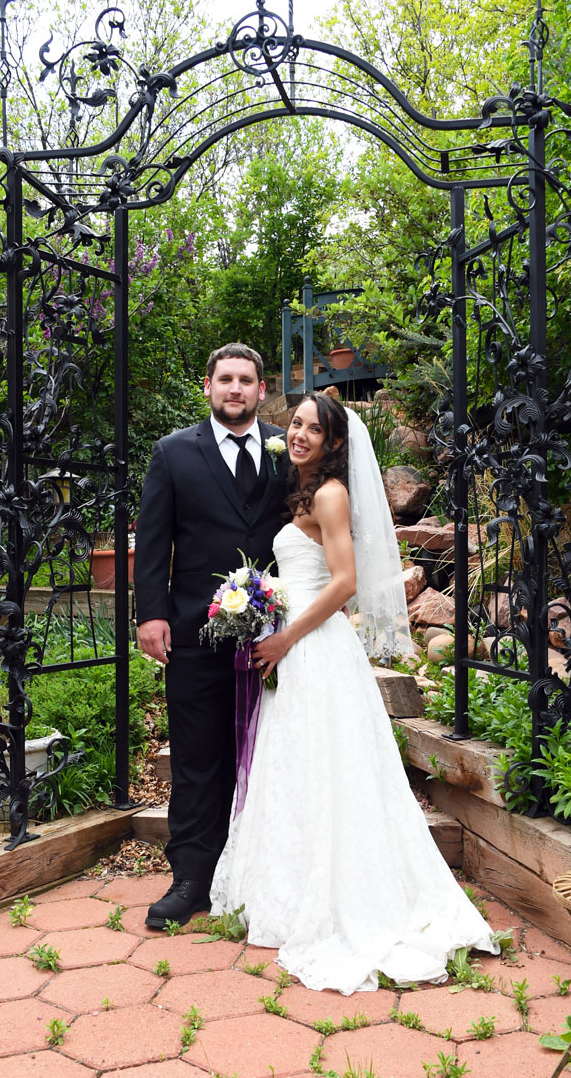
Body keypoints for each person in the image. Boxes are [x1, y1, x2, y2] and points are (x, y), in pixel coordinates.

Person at [210, 393, 498, 995]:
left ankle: (343, 898)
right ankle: (291, 888)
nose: (300, 435)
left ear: (336, 443)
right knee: (304, 768)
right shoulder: (305, 492)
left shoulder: (330, 494)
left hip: (314, 650)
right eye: (296, 424)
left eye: (315, 430)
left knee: (330, 768)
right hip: (298, 649)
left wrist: (284, 635)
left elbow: (345, 582)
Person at [134, 343, 289, 929]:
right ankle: (192, 878)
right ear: (208, 386)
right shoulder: (173, 453)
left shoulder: (287, 449)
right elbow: (153, 541)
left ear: (261, 388)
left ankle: (261, 872)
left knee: (268, 753)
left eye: (246, 380)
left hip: (273, 639)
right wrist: (152, 614)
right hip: (196, 632)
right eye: (225, 379)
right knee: (198, 758)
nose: (235, 389)